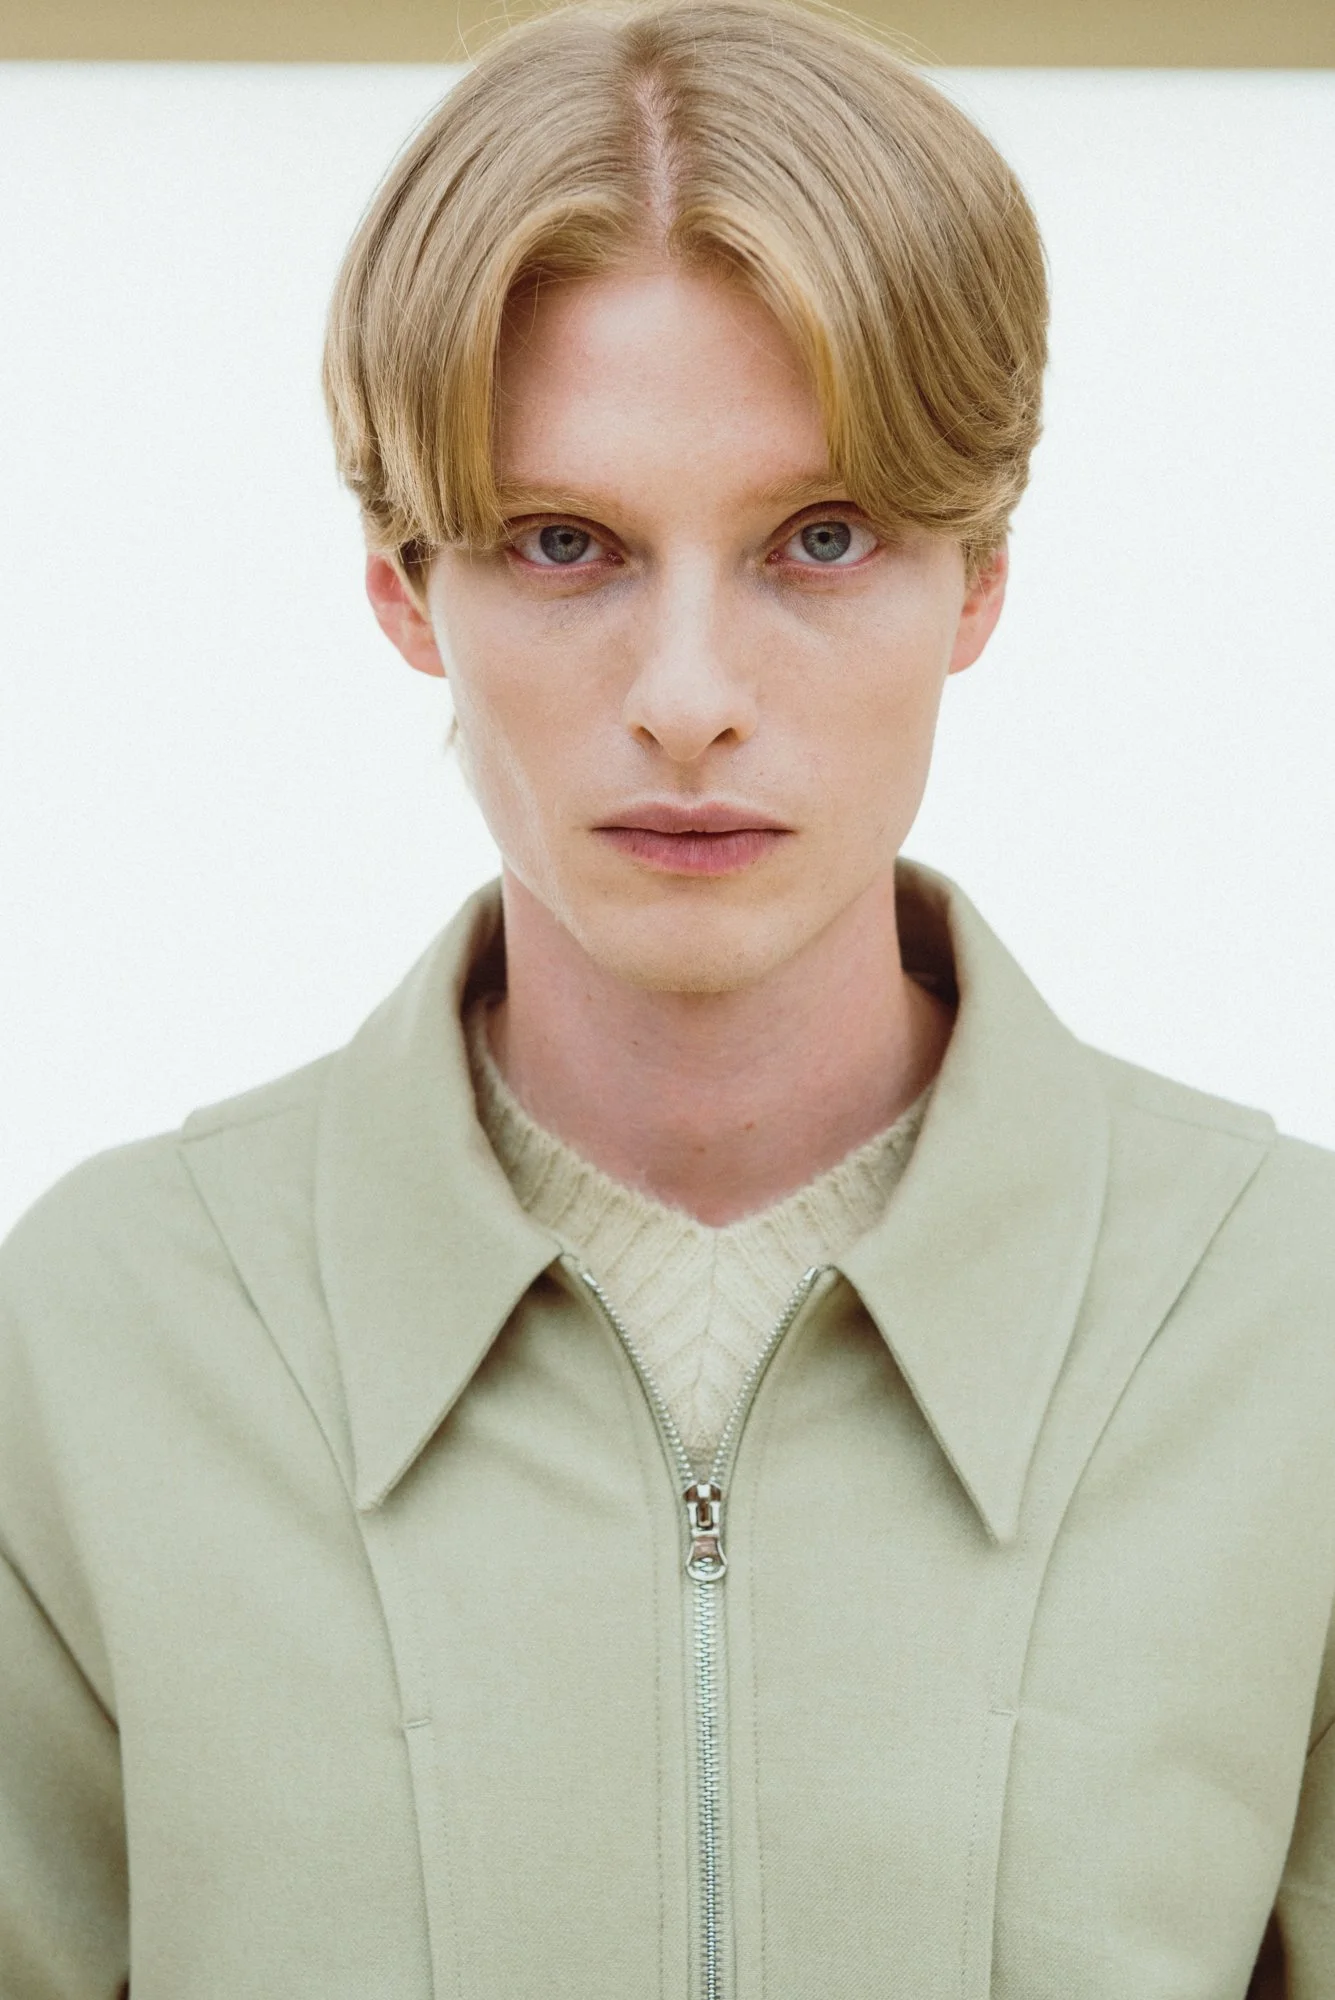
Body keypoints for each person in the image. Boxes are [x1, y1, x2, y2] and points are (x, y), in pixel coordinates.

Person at [1, 0, 1332, 1992]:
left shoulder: (1285, 1334)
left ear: (974, 578)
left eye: (820, 537)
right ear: (400, 579)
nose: (688, 689)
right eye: (565, 543)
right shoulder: (101, 1344)